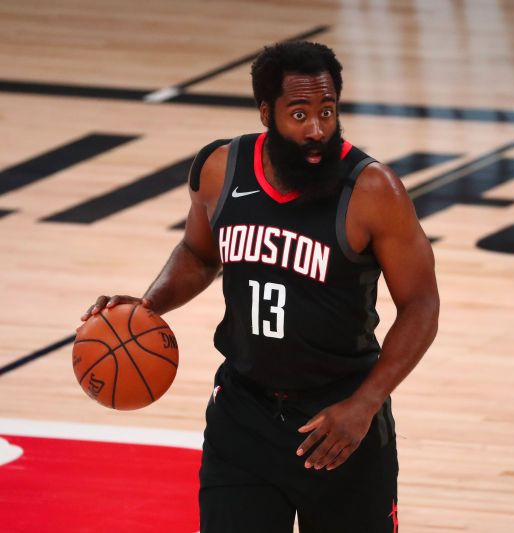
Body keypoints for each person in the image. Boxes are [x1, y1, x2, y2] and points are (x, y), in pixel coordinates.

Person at [80, 41, 439, 532]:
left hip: (338, 421)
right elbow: (199, 254)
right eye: (299, 114)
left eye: (327, 111)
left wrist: (365, 404)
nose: (316, 130)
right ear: (266, 113)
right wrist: (147, 306)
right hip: (242, 417)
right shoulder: (220, 170)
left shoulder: (374, 191)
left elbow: (421, 304)